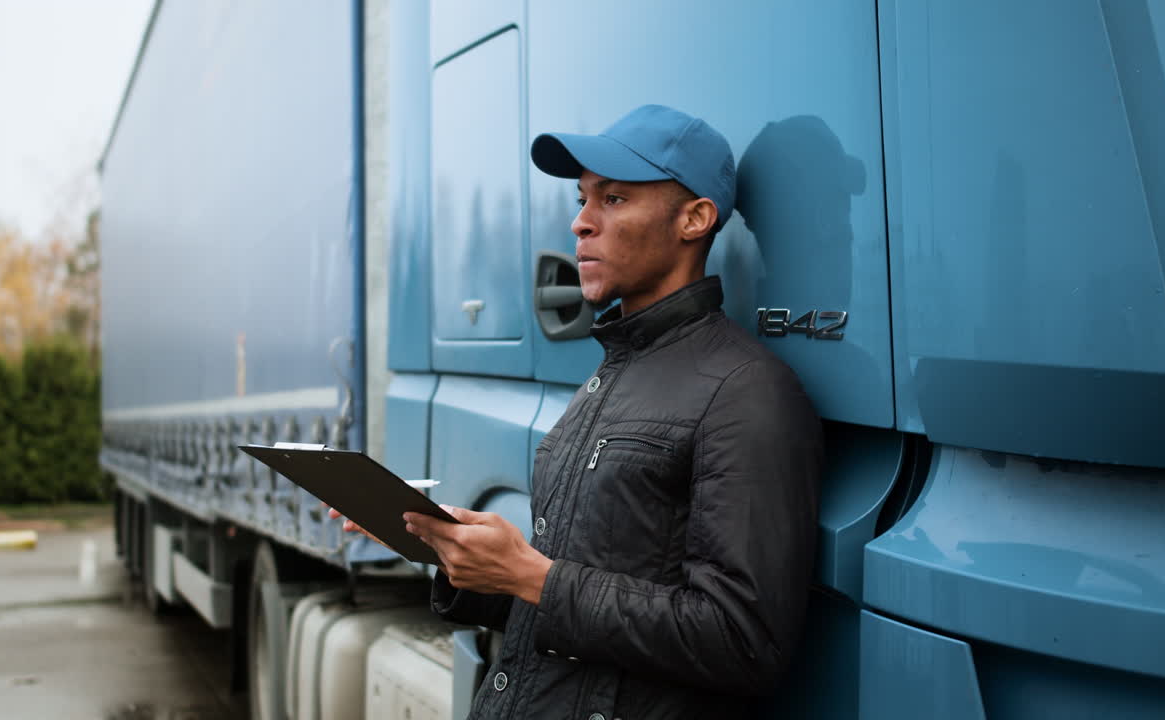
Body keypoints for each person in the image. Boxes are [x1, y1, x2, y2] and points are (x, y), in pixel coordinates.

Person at [337, 104, 822, 719]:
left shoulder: (747, 391)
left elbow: (741, 641)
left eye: (613, 199)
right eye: (582, 199)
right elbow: (564, 600)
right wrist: (452, 550)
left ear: (694, 219)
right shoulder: (612, 372)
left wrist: (530, 575)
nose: (580, 222)